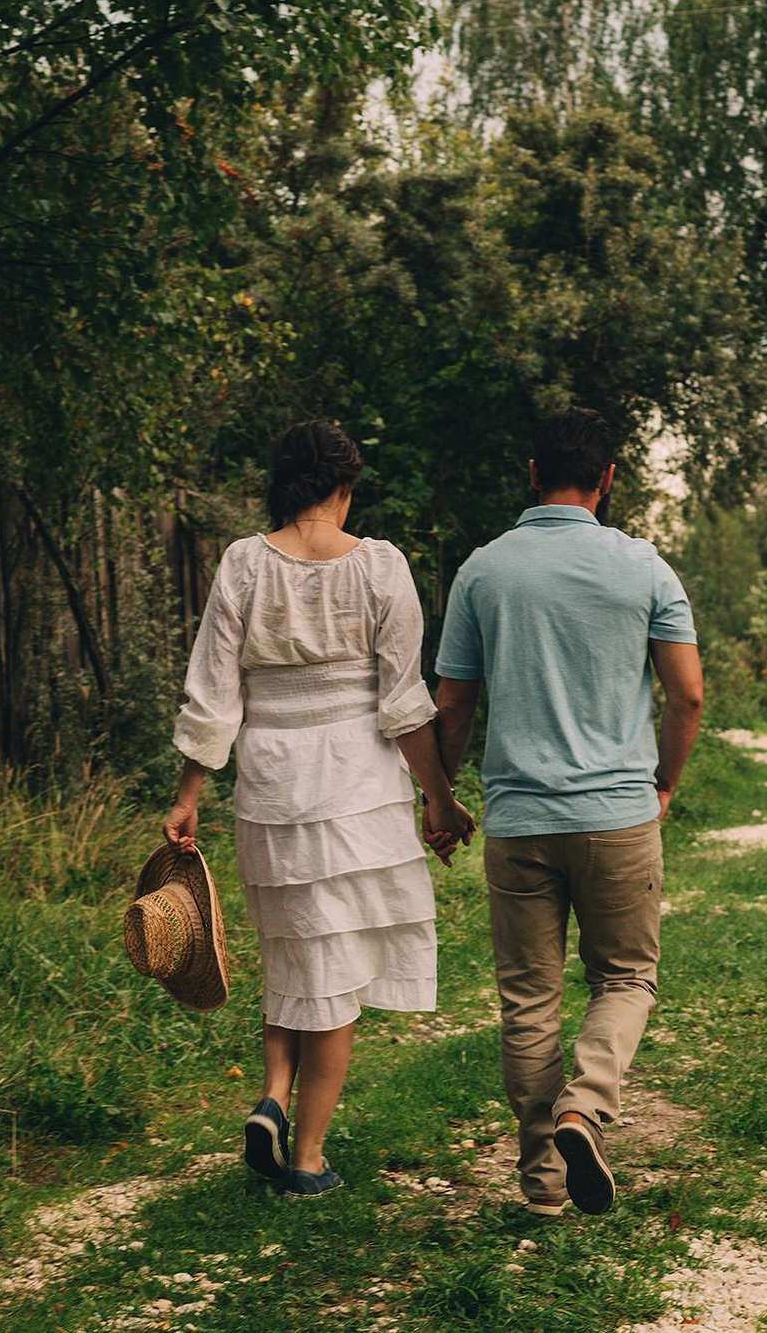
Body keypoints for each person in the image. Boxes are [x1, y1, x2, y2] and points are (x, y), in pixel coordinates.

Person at [162, 420, 475, 1198]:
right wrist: (439, 798)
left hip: (270, 785)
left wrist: (189, 794)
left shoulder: (242, 562)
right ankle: (305, 1159)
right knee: (331, 975)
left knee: (294, 954)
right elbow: (403, 703)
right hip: (356, 786)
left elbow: (213, 692)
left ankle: (272, 1094)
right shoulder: (379, 565)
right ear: (345, 486)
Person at [430, 408, 703, 1218]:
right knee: (624, 976)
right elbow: (687, 693)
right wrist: (664, 784)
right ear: (608, 478)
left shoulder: (484, 571)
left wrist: (441, 800)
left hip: (517, 821)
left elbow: (453, 706)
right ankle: (585, 1106)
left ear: (530, 471)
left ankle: (543, 1181)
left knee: (528, 999)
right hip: (619, 813)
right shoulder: (644, 567)